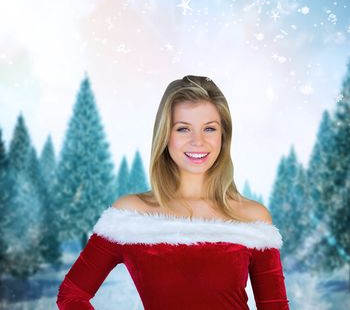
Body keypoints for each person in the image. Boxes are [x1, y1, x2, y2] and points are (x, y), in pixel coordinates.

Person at [56, 75, 290, 309]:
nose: (198, 141)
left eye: (209, 129)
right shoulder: (131, 216)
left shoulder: (252, 218)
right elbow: (72, 295)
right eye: (183, 129)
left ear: (223, 136)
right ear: (165, 135)